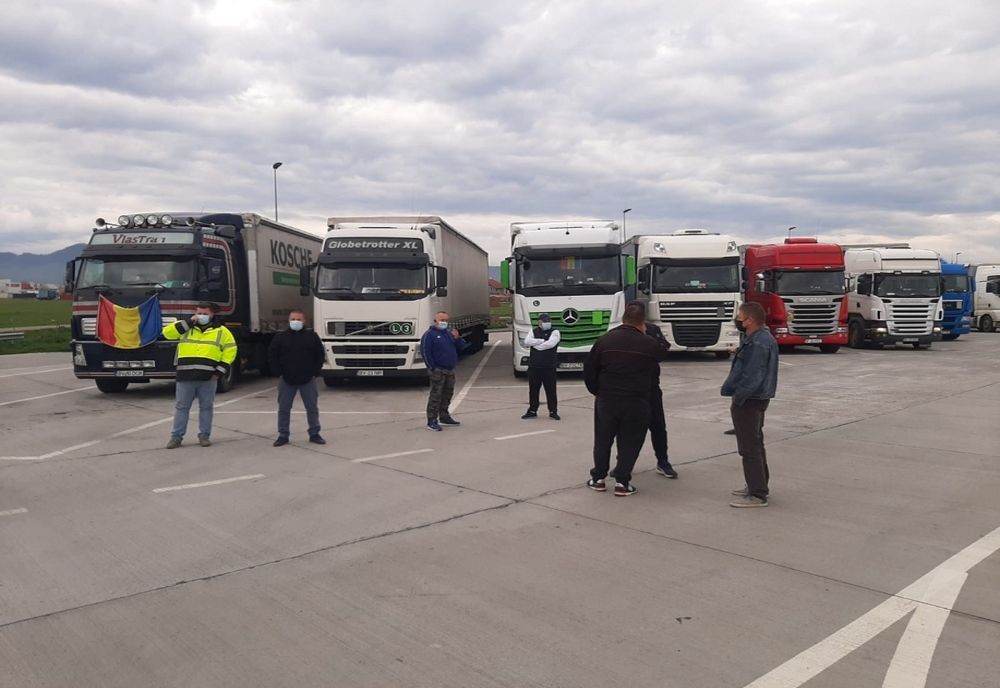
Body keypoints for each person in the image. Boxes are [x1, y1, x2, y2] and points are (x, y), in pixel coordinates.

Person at [584, 301, 670, 496]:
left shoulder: (605, 340)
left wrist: (597, 391)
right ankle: (622, 482)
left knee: (603, 439)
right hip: (637, 399)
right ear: (642, 322)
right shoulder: (648, 343)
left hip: (607, 399)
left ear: (623, 319)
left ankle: (598, 478)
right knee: (630, 440)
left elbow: (590, 369)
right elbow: (663, 352)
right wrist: (649, 334)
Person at [721, 302, 779, 507]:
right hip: (756, 397)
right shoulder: (758, 339)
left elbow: (753, 375)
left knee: (749, 447)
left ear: (750, 320)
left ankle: (757, 493)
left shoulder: (758, 343)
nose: (737, 320)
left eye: (740, 317)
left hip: (750, 400)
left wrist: (739, 397)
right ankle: (758, 484)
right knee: (755, 443)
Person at [162, 302, 237, 448]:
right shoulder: (186, 327)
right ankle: (176, 437)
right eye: (199, 313)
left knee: (206, 407)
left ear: (212, 314)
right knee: (182, 407)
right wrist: (189, 322)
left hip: (208, 377)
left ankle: (204, 436)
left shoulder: (222, 331)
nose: (201, 316)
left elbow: (230, 351)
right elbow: (167, 333)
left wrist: (219, 371)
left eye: (205, 313)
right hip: (186, 375)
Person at [268, 309, 327, 447]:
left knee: (312, 408)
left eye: (299, 319)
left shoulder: (312, 336)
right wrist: (278, 372)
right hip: (286, 379)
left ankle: (314, 433)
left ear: (304, 321)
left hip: (308, 379)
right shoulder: (280, 337)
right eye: (293, 319)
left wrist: (315, 372)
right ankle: (283, 435)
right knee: (284, 408)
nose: (296, 321)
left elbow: (320, 354)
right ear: (289, 321)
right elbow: (272, 355)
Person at [421, 311, 468, 431]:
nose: (444, 322)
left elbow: (462, 347)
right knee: (436, 396)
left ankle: (444, 416)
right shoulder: (429, 335)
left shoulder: (448, 334)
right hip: (438, 370)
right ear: (435, 321)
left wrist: (457, 338)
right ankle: (432, 420)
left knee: (447, 394)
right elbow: (425, 352)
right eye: (442, 320)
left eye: (446, 320)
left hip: (450, 370)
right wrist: (432, 367)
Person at [644, 321, 678, 478]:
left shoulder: (651, 329)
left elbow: (663, 349)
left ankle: (663, 461)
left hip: (651, 387)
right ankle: (622, 464)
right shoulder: (619, 332)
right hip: (630, 389)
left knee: (658, 427)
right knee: (627, 429)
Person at [522, 313, 561, 420]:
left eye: (548, 321)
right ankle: (532, 410)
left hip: (549, 367)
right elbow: (527, 342)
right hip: (534, 367)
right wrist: (542, 341)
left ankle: (553, 411)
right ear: (539, 322)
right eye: (544, 321)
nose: (546, 323)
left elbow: (550, 344)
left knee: (551, 390)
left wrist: (536, 344)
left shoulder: (555, 332)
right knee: (533, 390)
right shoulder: (533, 331)